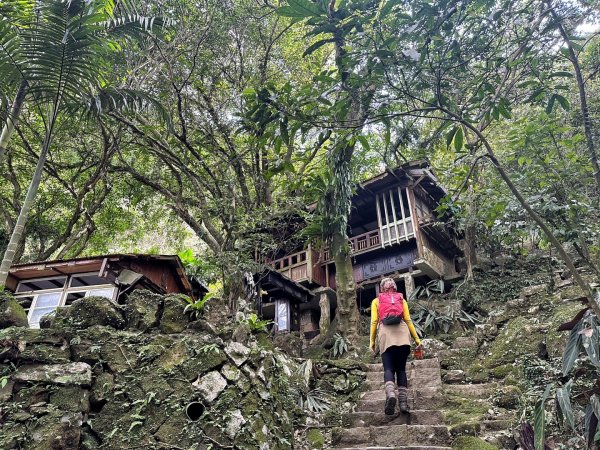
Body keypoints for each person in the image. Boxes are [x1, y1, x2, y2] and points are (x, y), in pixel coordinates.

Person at [369, 277, 423, 415]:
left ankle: (391, 394)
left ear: (381, 289)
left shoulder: (376, 301)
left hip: (386, 335)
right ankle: (403, 404)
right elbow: (408, 320)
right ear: (395, 288)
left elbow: (374, 322)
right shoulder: (401, 300)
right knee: (401, 370)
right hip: (403, 335)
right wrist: (417, 340)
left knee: (389, 368)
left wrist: (372, 343)